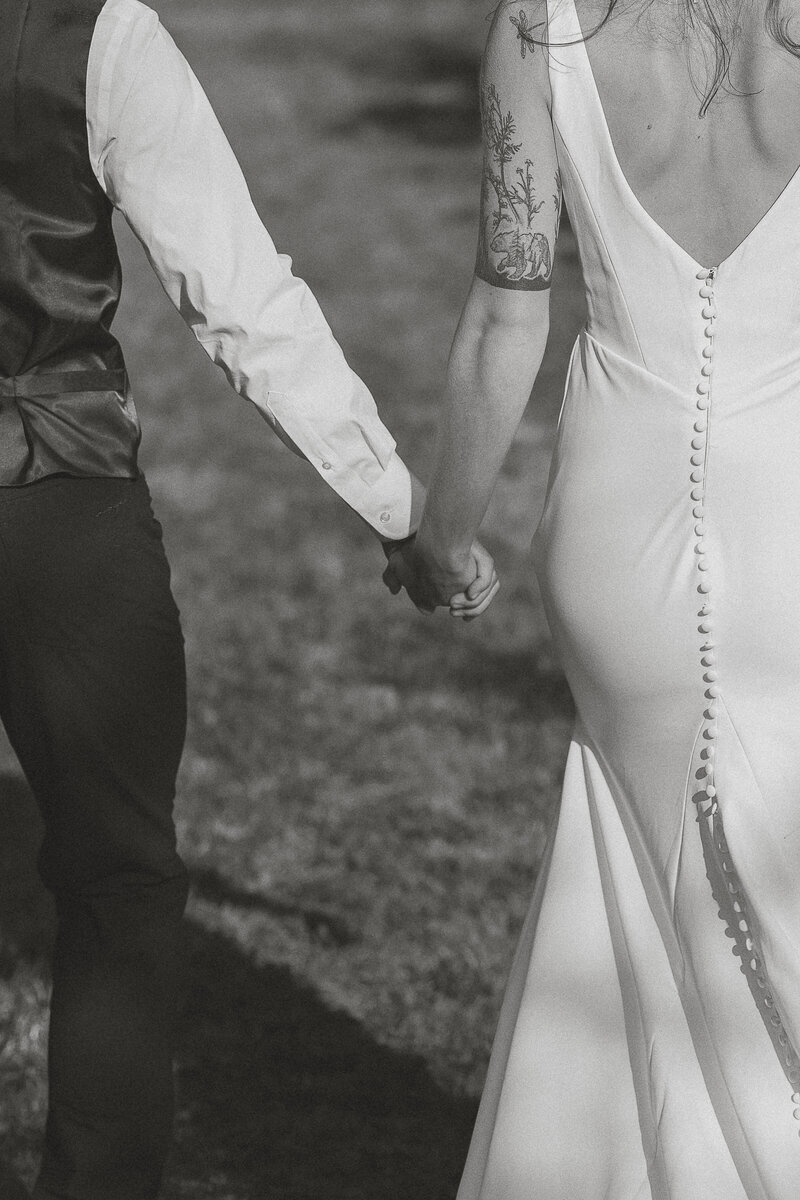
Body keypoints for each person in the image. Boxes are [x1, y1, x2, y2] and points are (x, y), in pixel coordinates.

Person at [0, 1, 501, 1197]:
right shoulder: (97, 33)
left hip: (51, 492)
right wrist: (403, 512)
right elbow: (240, 300)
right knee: (118, 881)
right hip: (53, 502)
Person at [386, 0, 800, 1194]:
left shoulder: (541, 28)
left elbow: (501, 318)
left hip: (614, 526)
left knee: (650, 883)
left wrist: (442, 535)